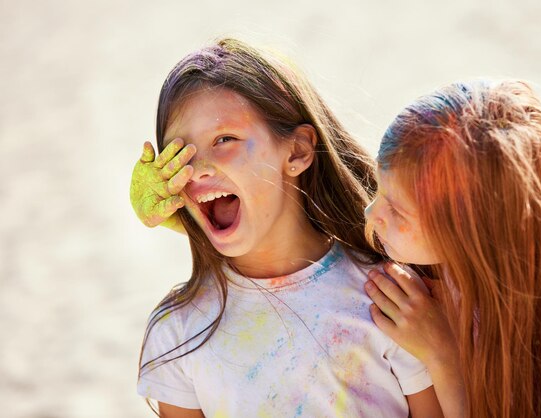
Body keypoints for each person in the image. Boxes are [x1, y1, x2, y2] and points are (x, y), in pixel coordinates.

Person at [132, 38, 444, 417]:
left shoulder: (390, 297)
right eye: (178, 153)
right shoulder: (178, 330)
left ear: (296, 152)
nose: (196, 170)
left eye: (224, 140)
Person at [363, 79, 541, 418]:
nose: (371, 213)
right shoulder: (434, 278)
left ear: (474, 231)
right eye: (379, 190)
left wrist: (442, 355)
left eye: (397, 210)